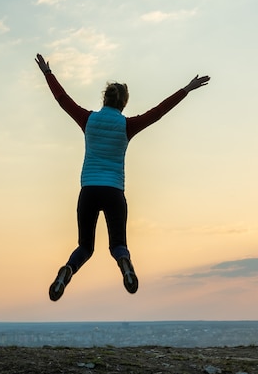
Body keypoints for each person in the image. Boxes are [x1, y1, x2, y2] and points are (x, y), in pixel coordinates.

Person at [35, 53, 210, 301]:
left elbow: (63, 100)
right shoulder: (127, 125)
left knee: (85, 246)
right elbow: (158, 111)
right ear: (124, 104)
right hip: (114, 191)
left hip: (89, 190)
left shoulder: (89, 120)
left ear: (104, 99)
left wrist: (48, 73)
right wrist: (186, 89)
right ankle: (125, 263)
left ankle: (68, 270)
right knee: (117, 245)